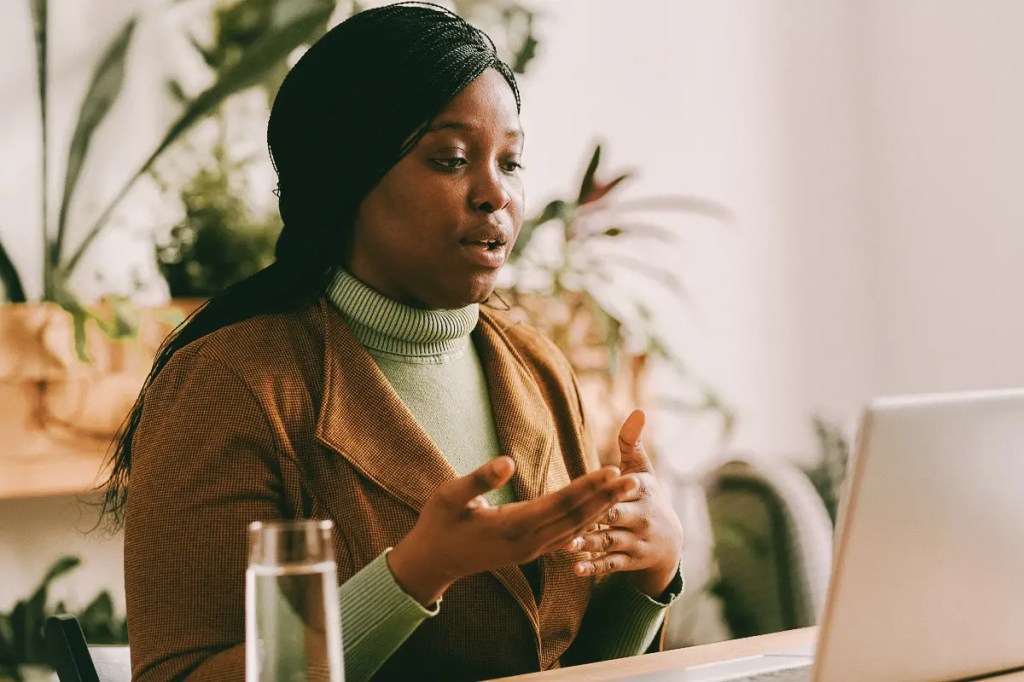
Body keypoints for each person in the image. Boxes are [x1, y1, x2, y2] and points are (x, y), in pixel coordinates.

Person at [104, 3, 684, 680]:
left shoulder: (537, 367)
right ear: (347, 177)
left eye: (512, 161)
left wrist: (653, 571)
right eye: (451, 159)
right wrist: (414, 575)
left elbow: (557, 664)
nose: (496, 193)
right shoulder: (232, 383)